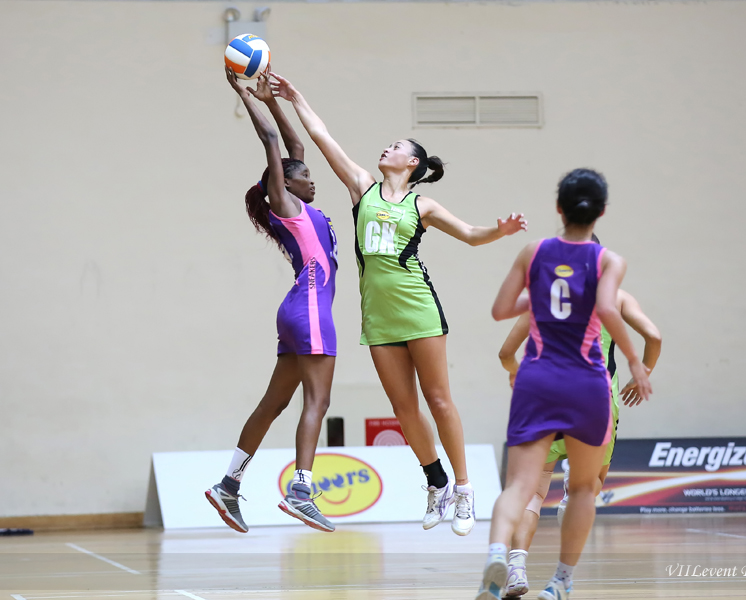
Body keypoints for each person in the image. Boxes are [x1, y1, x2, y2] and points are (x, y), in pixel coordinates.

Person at [269, 72, 527, 535]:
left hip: (419, 307)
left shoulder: (421, 205)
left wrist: (500, 231)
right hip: (378, 316)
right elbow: (321, 136)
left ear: (412, 162)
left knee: (438, 399)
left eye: (396, 146)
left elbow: (469, 235)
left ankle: (465, 490)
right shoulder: (362, 188)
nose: (386, 149)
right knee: (404, 408)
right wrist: (295, 97)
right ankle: (436, 482)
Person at [478, 168, 652, 600]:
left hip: (537, 378)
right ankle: (560, 581)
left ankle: (497, 556)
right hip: (588, 382)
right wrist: (635, 361)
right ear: (602, 212)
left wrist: (538, 295)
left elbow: (500, 310)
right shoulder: (608, 260)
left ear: (559, 208)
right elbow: (609, 310)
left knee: (519, 486)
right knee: (581, 489)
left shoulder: (533, 251)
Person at [205, 70, 339, 534]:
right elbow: (272, 142)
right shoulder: (285, 203)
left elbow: (293, 146)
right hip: (311, 309)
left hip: (294, 310)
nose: (311, 180)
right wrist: (242, 93)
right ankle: (301, 491)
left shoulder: (300, 207)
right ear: (284, 184)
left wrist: (276, 101)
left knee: (274, 402)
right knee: (317, 402)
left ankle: (228, 484)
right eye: (304, 176)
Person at [498, 276, 662, 597]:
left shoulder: (543, 297)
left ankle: (516, 568)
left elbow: (506, 352)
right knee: (587, 489)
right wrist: (644, 371)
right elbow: (653, 336)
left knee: (532, 490)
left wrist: (516, 372)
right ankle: (562, 577)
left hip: (545, 396)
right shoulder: (616, 297)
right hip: (595, 398)